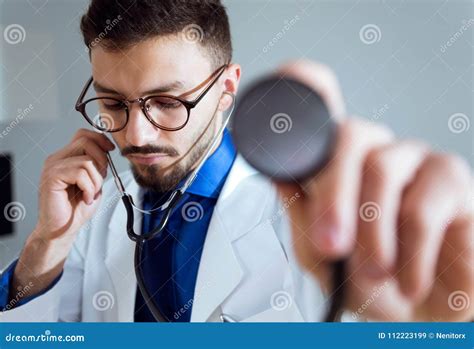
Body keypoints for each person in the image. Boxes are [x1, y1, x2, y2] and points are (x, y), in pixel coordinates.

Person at [0, 0, 472, 322]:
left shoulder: (318, 219)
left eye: (167, 102)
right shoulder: (93, 206)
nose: (135, 135)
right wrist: (47, 243)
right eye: (114, 104)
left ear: (227, 89)